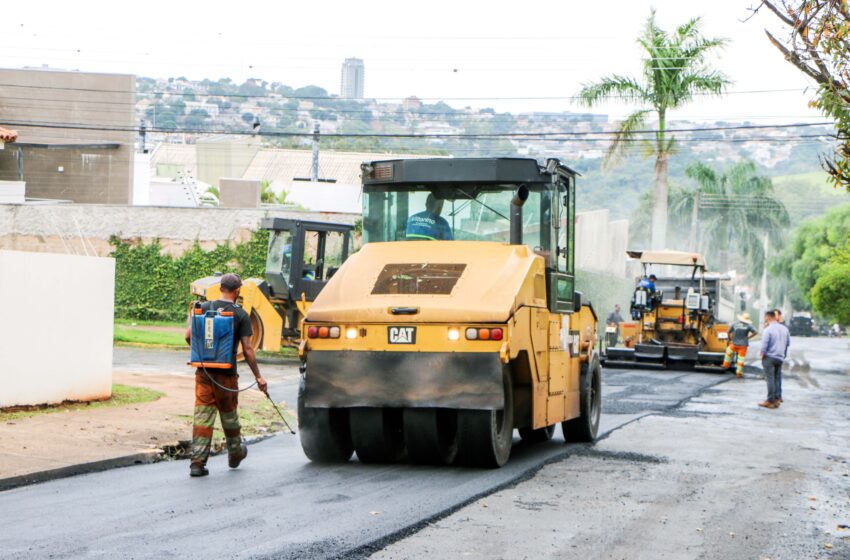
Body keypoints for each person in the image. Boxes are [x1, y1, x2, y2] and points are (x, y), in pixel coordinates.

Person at [185, 273, 269, 477]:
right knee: (229, 416)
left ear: (220, 287)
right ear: (238, 291)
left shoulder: (203, 308)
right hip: (226, 376)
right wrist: (258, 376)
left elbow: (188, 336)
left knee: (203, 416)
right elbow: (248, 349)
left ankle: (197, 463)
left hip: (203, 373)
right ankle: (235, 454)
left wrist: (202, 351)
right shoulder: (240, 315)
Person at [759, 310, 790, 409]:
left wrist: (762, 355)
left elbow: (764, 345)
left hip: (770, 357)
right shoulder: (785, 329)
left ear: (768, 318)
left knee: (770, 379)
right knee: (776, 378)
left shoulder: (768, 329)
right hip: (780, 357)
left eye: (765, 318)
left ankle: (770, 401)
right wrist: (783, 354)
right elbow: (788, 343)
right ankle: (777, 399)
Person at [722, 312, 758, 378]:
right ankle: (739, 373)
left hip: (734, 344)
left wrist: (729, 339)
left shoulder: (734, 323)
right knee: (740, 360)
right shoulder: (749, 325)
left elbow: (728, 332)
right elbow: (756, 332)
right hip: (743, 345)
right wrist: (749, 337)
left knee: (728, 352)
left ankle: (726, 365)